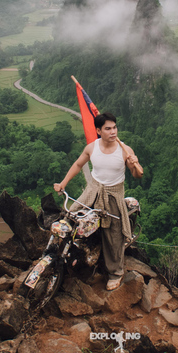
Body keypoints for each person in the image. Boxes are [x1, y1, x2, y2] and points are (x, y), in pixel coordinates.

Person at [53, 112, 140, 291]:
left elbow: (137, 174)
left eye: (114, 127)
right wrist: (63, 183)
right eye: (108, 128)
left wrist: (135, 164)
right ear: (99, 131)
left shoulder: (125, 150)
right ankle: (67, 257)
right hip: (93, 190)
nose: (113, 131)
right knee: (70, 217)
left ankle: (116, 272)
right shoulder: (92, 148)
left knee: (113, 235)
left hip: (113, 195)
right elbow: (78, 165)